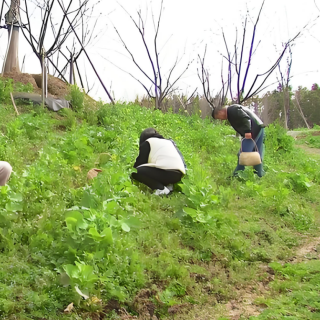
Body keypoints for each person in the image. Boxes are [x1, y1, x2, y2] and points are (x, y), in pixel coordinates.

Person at [213, 104, 265, 177]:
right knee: (257, 154)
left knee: (242, 154)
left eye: (219, 118)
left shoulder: (233, 110)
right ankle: (259, 175)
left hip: (253, 130)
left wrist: (247, 131)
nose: (221, 119)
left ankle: (237, 175)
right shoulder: (232, 111)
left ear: (220, 112)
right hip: (259, 127)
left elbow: (245, 118)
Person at [132, 128, 186, 195]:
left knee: (135, 171)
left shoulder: (148, 142)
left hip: (165, 171)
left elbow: (139, 164)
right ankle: (168, 186)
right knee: (153, 171)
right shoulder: (168, 142)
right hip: (179, 174)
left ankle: (161, 189)